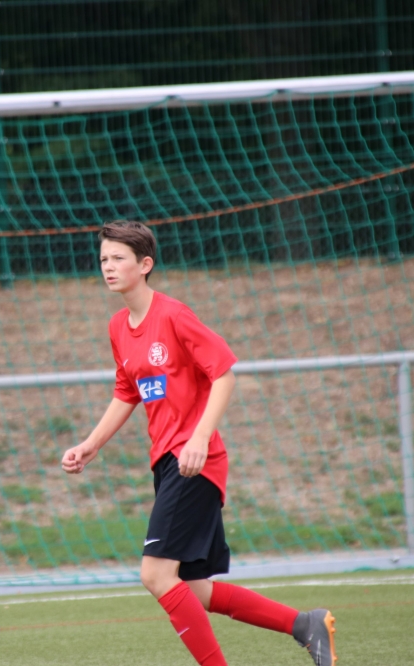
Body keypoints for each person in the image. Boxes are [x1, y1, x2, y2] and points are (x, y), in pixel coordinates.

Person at [61, 222, 337, 666]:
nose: (108, 267)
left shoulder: (173, 315)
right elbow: (127, 391)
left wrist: (199, 439)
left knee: (155, 574)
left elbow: (223, 374)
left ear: (145, 265)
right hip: (168, 462)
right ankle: (305, 624)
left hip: (193, 461)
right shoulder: (117, 326)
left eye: (118, 258)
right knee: (193, 589)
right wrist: (92, 444)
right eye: (103, 259)